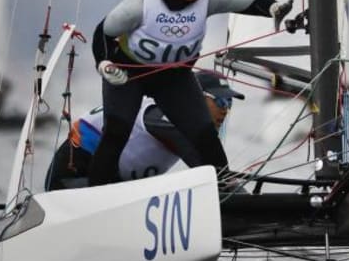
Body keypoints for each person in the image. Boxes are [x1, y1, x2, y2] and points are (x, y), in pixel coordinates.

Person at [88, 0, 292, 186]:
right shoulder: (139, 4)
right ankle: (97, 189)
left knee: (203, 133)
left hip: (173, 78)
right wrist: (104, 64)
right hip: (130, 75)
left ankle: (225, 189)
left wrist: (274, 8)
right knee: (116, 132)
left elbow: (249, 2)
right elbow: (103, 32)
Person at [45, 70, 244, 191]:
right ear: (197, 97)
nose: (225, 109)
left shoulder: (184, 121)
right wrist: (231, 191)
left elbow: (212, 169)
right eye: (220, 101)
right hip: (70, 178)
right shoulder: (159, 112)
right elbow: (198, 159)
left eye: (229, 103)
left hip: (111, 185)